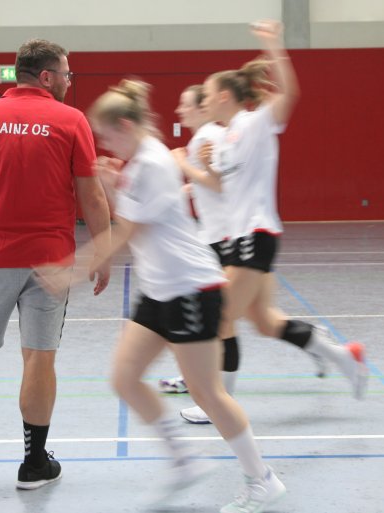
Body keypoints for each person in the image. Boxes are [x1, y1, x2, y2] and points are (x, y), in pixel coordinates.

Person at [41, 78, 286, 513]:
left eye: (106, 135)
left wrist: (72, 272)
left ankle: (262, 479)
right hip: (159, 291)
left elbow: (127, 232)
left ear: (123, 124)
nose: (105, 144)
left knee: (208, 394)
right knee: (124, 376)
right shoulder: (140, 160)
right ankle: (184, 461)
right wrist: (115, 187)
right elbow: (140, 221)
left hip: (191, 288)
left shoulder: (151, 162)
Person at [0, 38, 112, 490]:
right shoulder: (70, 120)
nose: (70, 82)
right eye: (68, 74)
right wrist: (102, 250)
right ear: (48, 76)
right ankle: (34, 465)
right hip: (50, 261)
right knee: (39, 355)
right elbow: (91, 194)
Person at [175, 20, 369, 424]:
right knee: (264, 322)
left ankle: (218, 403)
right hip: (241, 236)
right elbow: (226, 188)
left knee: (221, 316)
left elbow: (290, 93)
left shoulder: (255, 122)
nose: (202, 102)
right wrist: (208, 171)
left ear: (225, 97)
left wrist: (274, 45)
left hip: (257, 234)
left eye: (207, 96)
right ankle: (345, 358)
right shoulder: (224, 139)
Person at [159, 85, 242, 403]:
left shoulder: (208, 137)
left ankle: (218, 396)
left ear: (201, 108)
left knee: (222, 321)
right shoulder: (203, 138)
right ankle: (197, 379)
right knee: (229, 318)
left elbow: (220, 185)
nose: (179, 110)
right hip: (210, 239)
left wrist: (181, 163)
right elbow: (207, 184)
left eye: (185, 104)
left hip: (222, 240)